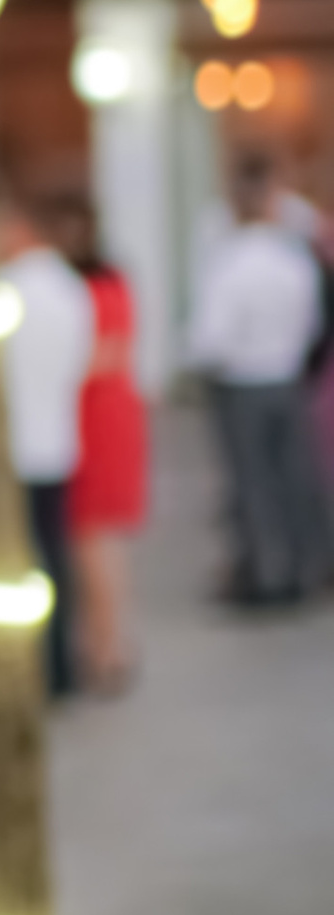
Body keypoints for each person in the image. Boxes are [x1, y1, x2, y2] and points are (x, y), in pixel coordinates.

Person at [189, 152, 332, 607]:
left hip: (241, 384)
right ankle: (300, 568)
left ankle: (263, 575)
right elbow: (311, 324)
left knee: (252, 484)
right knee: (292, 477)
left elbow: (212, 337)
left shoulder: (229, 264)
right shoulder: (294, 261)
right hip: (287, 378)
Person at [0, 183, 96, 699]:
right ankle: (61, 667)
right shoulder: (71, 287)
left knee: (24, 562)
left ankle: (37, 669)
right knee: (55, 557)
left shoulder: (2, 291)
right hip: (57, 437)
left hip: (13, 445)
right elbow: (82, 362)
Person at [52, 201, 149, 692]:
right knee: (95, 540)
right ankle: (102, 641)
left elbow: (107, 351)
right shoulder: (103, 281)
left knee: (95, 539)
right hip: (101, 413)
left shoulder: (96, 286)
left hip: (98, 418)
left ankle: (109, 647)